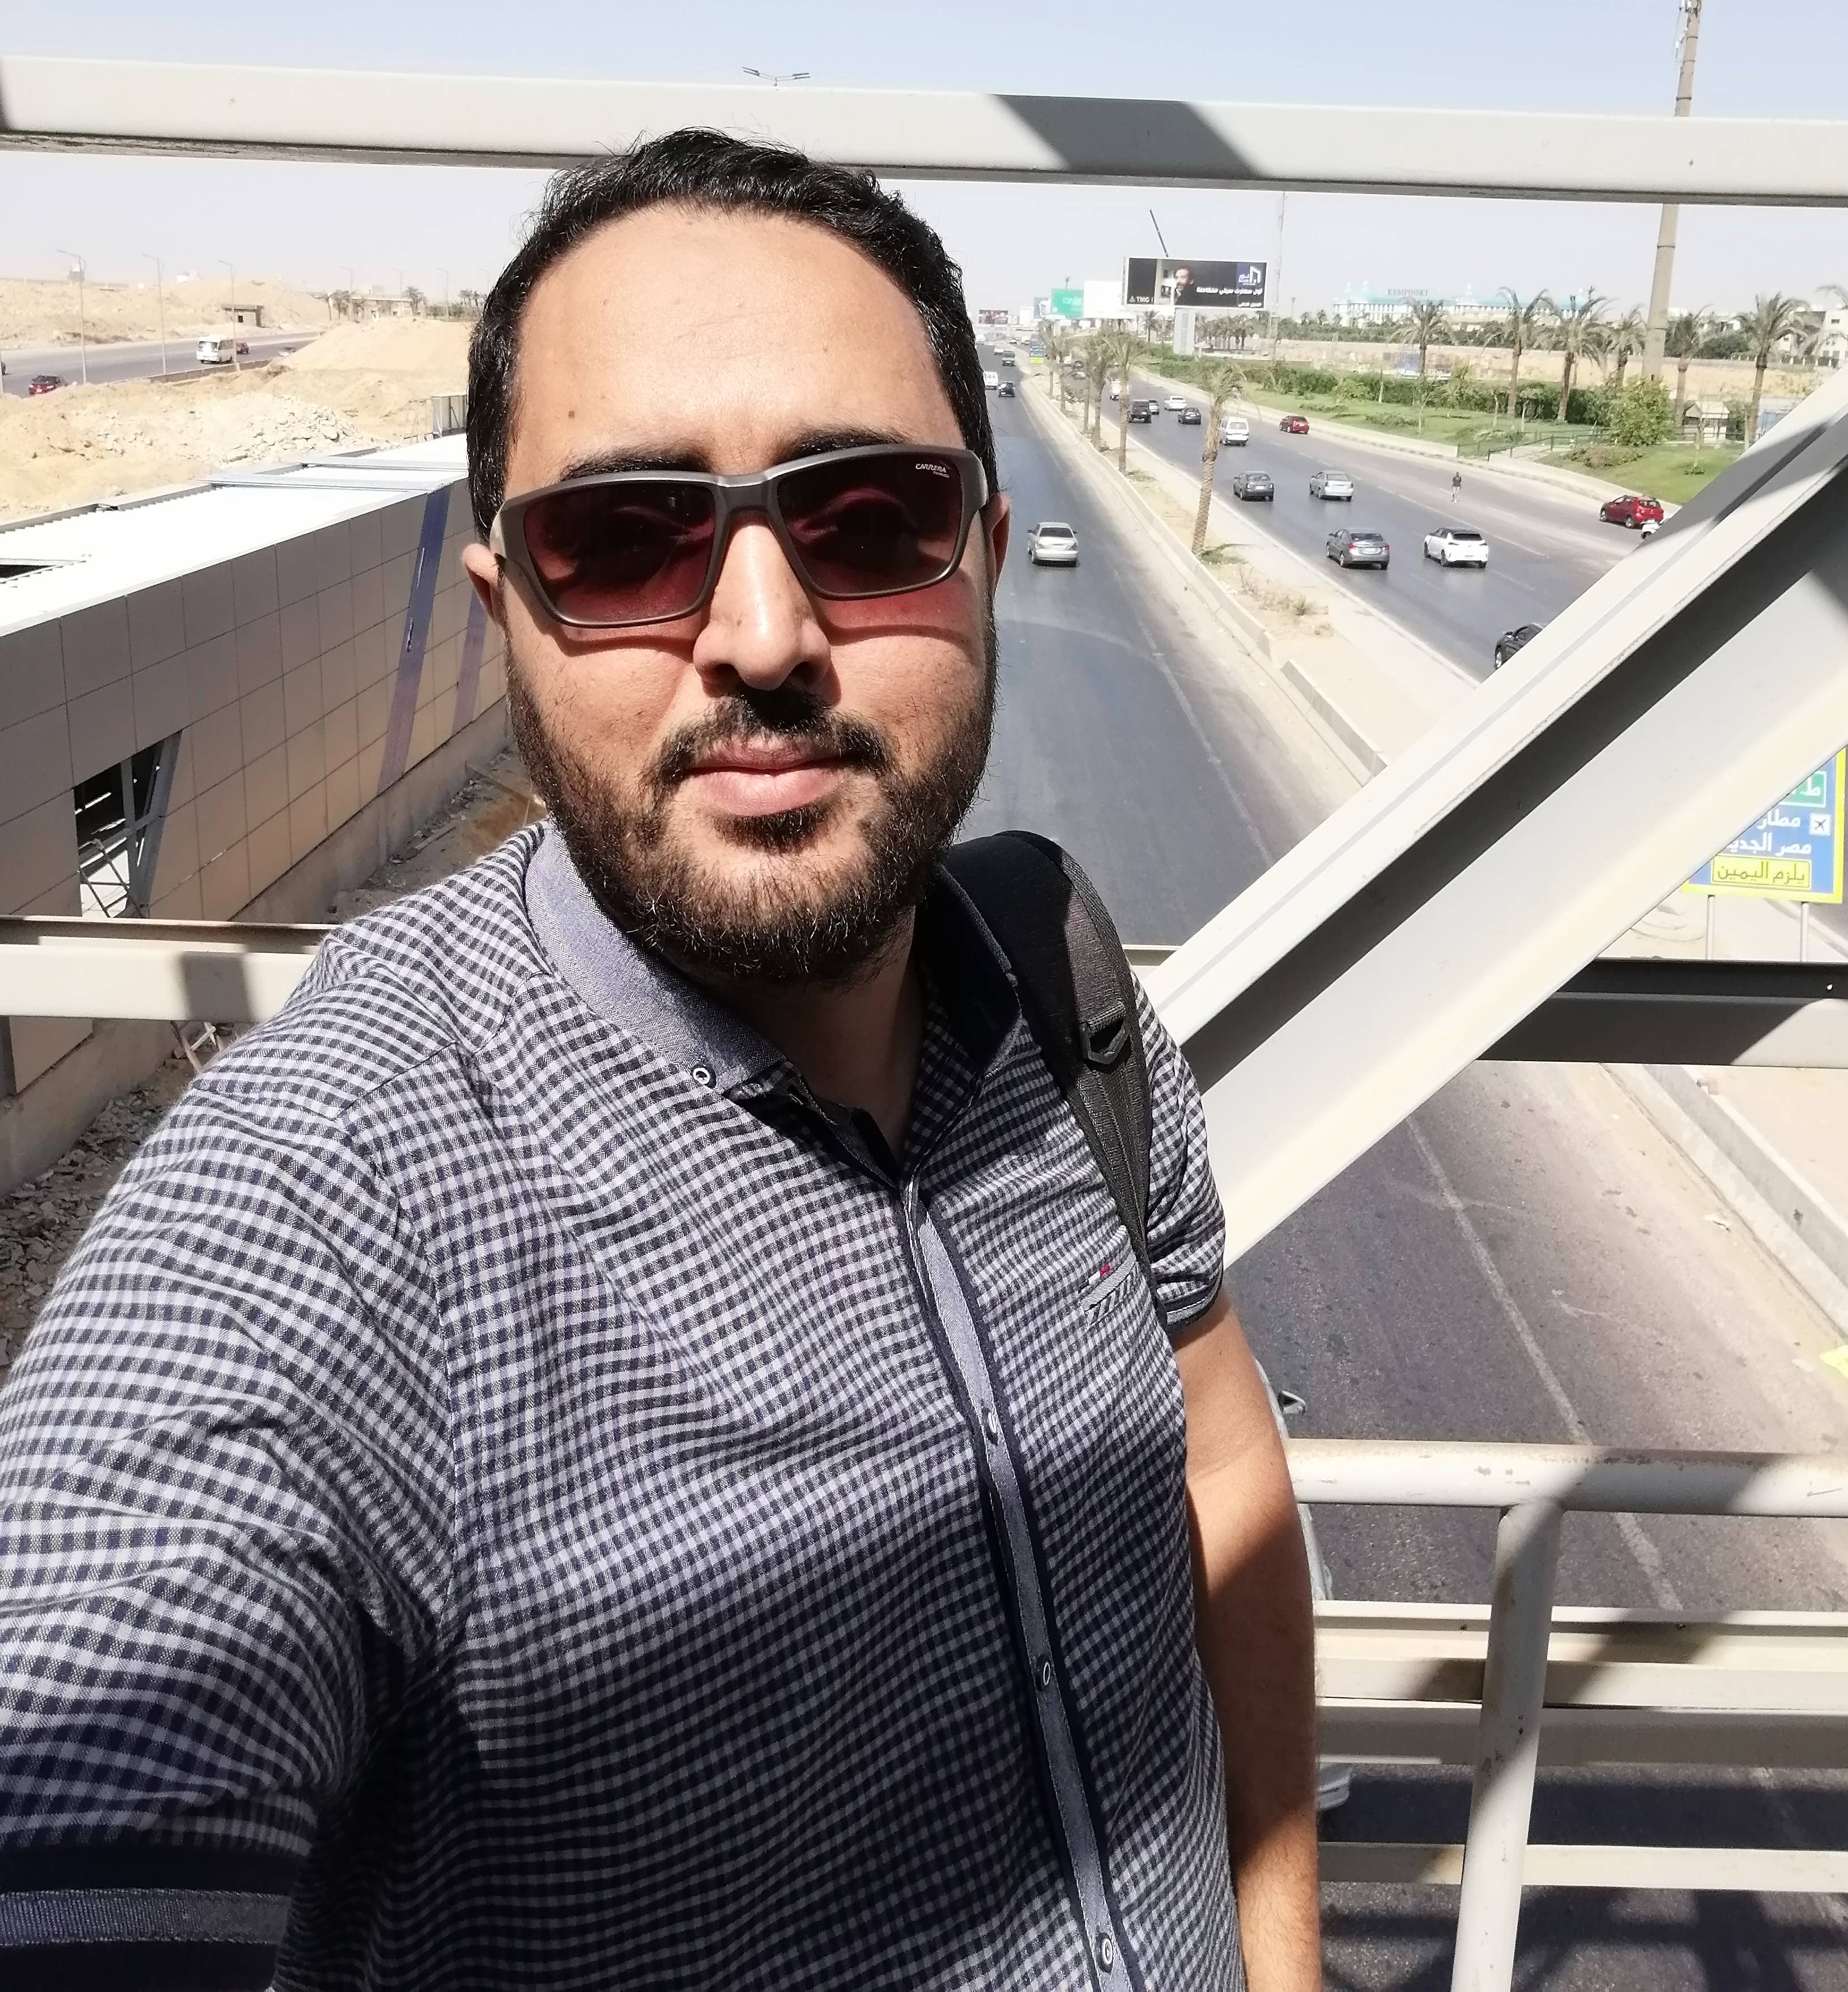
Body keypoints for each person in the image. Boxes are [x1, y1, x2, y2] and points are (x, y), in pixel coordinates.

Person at [0, 133, 1321, 1990]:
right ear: (506, 619)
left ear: (985, 556)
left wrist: (1282, 1956)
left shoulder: (1058, 977)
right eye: (624, 540)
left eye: (868, 519)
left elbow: (1220, 1463)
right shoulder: (325, 1209)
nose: (763, 639)